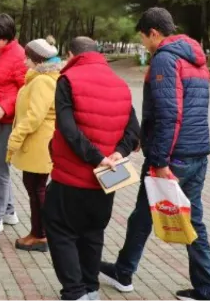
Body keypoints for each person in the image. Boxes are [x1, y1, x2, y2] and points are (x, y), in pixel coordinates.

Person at [99, 8, 210, 301]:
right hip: (196, 153)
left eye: (143, 38)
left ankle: (126, 270)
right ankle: (207, 288)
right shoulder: (194, 58)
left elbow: (170, 114)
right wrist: (144, 139)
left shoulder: (165, 60)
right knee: (172, 218)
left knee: (148, 216)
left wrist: (159, 161)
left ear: (154, 33)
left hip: (173, 157)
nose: (144, 44)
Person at [43, 36, 140, 301]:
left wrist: (97, 158)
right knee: (92, 233)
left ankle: (74, 292)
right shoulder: (120, 84)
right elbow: (133, 130)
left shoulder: (68, 80)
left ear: (73, 54)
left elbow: (67, 128)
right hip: (107, 180)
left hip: (71, 177)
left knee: (60, 229)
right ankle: (90, 289)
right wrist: (116, 155)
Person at [6, 37, 62, 253]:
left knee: (36, 189)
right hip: (39, 143)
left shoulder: (42, 81)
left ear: (37, 60)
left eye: (27, 58)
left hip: (39, 144)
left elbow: (35, 116)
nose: (24, 62)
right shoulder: (42, 78)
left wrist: (15, 138)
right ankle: (39, 231)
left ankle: (40, 235)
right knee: (35, 188)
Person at [0, 14, 27, 238]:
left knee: (0, 166)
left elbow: (25, 90)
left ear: (6, 37)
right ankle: (8, 211)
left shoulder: (19, 56)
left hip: (7, 119)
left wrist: (6, 106)